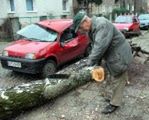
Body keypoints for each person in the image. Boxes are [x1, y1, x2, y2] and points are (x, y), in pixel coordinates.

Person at [73, 11, 133, 114]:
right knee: (112, 76)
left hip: (119, 55)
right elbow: (95, 46)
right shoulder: (91, 29)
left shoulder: (102, 25)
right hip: (112, 55)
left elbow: (100, 47)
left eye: (80, 28)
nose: (80, 31)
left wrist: (89, 63)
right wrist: (95, 62)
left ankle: (114, 104)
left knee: (118, 78)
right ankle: (111, 97)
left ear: (86, 21)